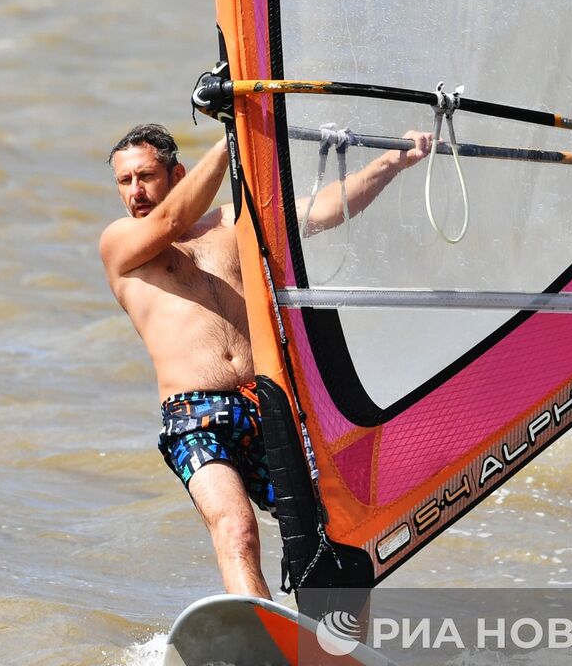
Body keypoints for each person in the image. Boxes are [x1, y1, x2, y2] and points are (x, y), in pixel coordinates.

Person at [100, 123, 431, 597]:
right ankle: (258, 641)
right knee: (237, 527)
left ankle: (334, 650)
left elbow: (326, 209)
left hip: (267, 401)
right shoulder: (121, 244)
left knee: (338, 530)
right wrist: (234, 135)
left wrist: (392, 162)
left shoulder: (233, 223)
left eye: (145, 176)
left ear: (177, 173)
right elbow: (171, 222)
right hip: (194, 416)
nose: (134, 191)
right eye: (124, 181)